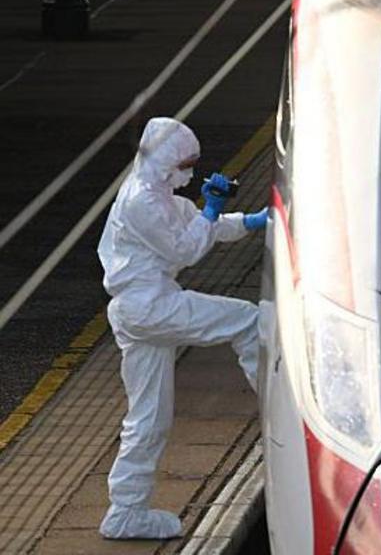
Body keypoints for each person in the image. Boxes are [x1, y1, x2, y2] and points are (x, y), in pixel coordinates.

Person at [96, 117, 268, 539]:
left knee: (147, 418)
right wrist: (211, 210)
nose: (190, 173)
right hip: (151, 306)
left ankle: (125, 512)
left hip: (140, 311)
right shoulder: (141, 202)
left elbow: (200, 225)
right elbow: (186, 248)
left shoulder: (155, 193)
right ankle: (277, 403)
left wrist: (249, 221)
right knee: (248, 319)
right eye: (186, 164)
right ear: (167, 160)